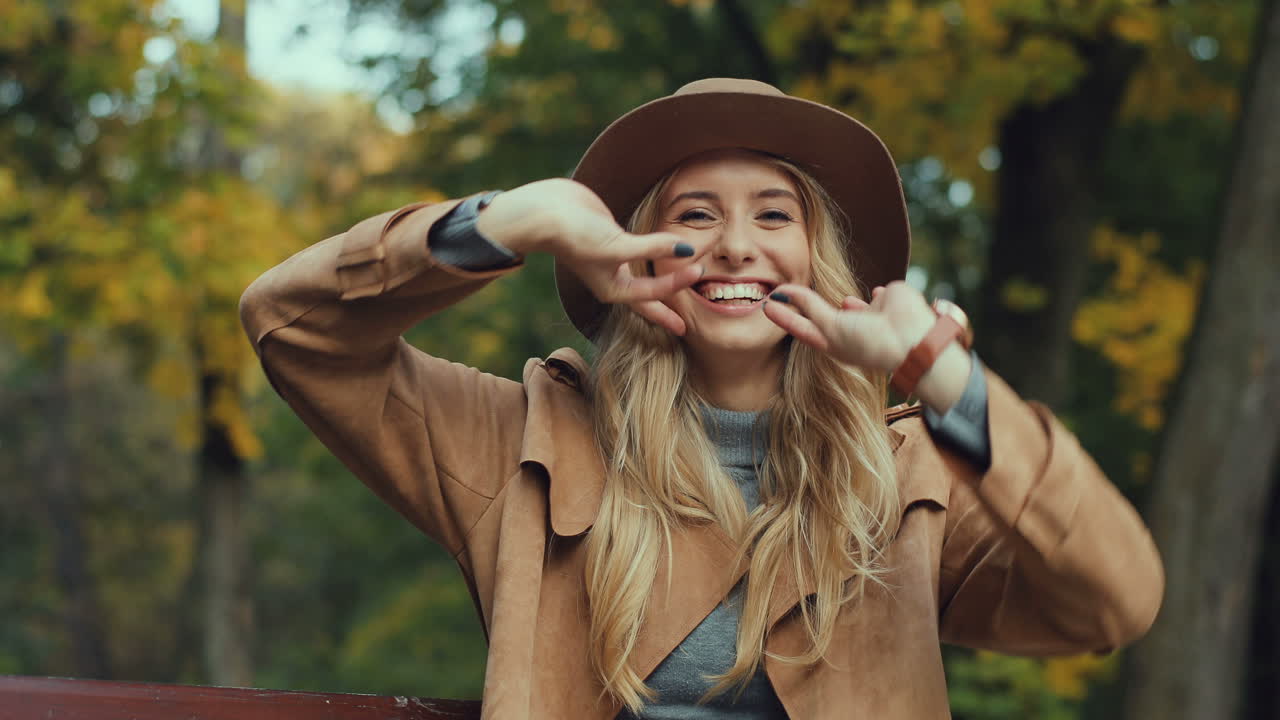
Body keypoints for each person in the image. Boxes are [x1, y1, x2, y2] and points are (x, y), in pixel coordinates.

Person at [239, 78, 1164, 719]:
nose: (734, 246)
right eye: (695, 215)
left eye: (773, 214)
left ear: (817, 259)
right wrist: (509, 220)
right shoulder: (522, 443)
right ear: (635, 253)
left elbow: (1115, 601)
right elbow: (293, 327)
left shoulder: (908, 478)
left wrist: (938, 368)